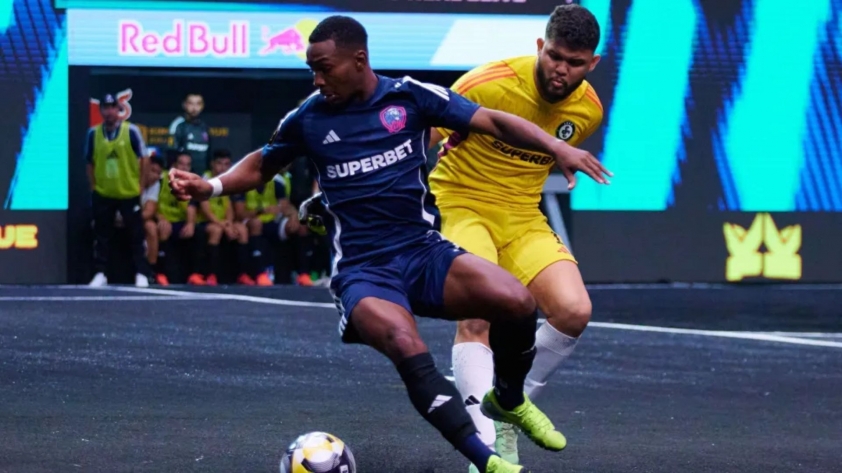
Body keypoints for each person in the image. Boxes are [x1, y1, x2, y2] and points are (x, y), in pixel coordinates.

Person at [169, 16, 609, 473]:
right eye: (311, 70)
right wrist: (211, 187)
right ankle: (487, 460)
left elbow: (491, 121)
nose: (317, 80)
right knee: (410, 342)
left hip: (426, 250)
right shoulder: (308, 118)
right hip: (367, 269)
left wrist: (557, 148)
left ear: (359, 60)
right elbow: (262, 163)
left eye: (324, 69)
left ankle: (509, 401)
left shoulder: (410, 96)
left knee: (519, 303)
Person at [428, 6, 605, 470]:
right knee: (478, 316)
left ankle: (508, 403)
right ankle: (486, 451)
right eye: (555, 57)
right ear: (540, 47)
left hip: (522, 215)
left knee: (574, 310)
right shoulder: (486, 84)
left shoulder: (587, 111)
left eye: (575, 62)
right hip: (463, 204)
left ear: (592, 64)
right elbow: (425, 134)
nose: (561, 69)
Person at [86, 93, 152, 287]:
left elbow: (144, 158)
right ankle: (100, 273)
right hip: (104, 193)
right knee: (101, 236)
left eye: (112, 107)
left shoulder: (131, 131)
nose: (109, 112)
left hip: (129, 192)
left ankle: (141, 272)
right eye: (105, 108)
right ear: (101, 110)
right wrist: (93, 187)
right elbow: (89, 162)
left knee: (136, 235)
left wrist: (141, 186)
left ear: (118, 109)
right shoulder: (93, 134)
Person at [231, 173, 302, 286]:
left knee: (299, 226)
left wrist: (293, 216)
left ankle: (302, 273)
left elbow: (285, 207)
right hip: (250, 220)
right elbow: (240, 214)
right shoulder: (244, 183)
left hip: (272, 220)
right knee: (256, 224)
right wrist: (261, 210)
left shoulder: (276, 183)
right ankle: (260, 273)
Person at [195, 150, 251, 285]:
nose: (223, 168)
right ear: (212, 164)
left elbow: (229, 207)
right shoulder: (204, 181)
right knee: (216, 230)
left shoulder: (226, 181)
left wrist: (229, 224)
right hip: (205, 222)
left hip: (222, 222)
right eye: (219, 164)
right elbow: (206, 211)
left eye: (226, 164)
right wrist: (224, 226)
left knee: (242, 230)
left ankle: (243, 274)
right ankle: (211, 275)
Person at [156, 152, 201, 285]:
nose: (184, 168)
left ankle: (195, 274)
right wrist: (160, 218)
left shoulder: (192, 182)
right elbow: (152, 202)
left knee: (197, 232)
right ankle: (161, 274)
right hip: (163, 219)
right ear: (174, 165)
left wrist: (190, 224)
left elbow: (192, 205)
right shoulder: (161, 179)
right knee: (163, 230)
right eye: (181, 164)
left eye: (188, 165)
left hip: (180, 221)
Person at [169, 93, 211, 175]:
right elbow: (171, 152)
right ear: (184, 105)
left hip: (201, 175)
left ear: (202, 106)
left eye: (198, 104)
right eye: (191, 103)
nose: (194, 108)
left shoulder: (205, 127)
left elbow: (209, 154)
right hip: (182, 175)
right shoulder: (178, 125)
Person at [141, 156, 164, 280]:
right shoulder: (132, 179)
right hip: (117, 216)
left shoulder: (155, 185)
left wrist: (133, 219)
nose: (155, 176)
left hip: (135, 219)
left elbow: (149, 211)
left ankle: (151, 270)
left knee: (151, 227)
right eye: (152, 171)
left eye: (158, 173)